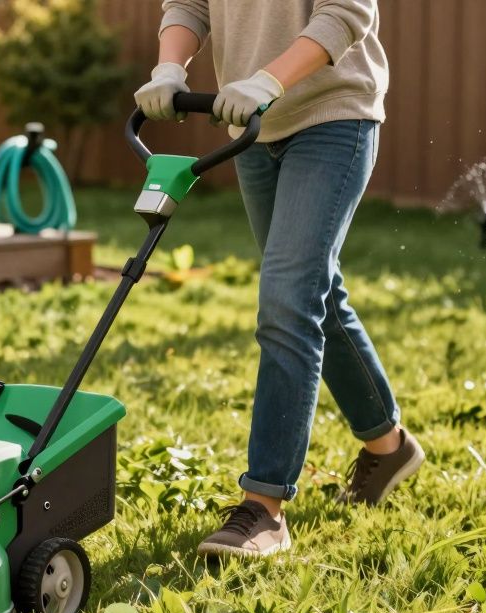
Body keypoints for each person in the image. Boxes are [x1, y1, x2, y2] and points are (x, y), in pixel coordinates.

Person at [134, 0, 424, 558]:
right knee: (314, 293)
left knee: (289, 299)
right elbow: (189, 5)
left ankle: (263, 508)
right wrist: (170, 67)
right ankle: (389, 447)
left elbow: (345, 13)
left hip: (333, 117)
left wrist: (267, 79)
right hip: (254, 126)